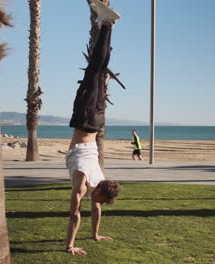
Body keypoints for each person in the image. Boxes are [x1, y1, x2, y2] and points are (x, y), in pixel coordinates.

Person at [64, 0, 121, 256]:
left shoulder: (100, 181)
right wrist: (70, 245)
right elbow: (74, 214)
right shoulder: (84, 182)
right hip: (86, 120)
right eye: (99, 199)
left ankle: (107, 24)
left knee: (97, 72)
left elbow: (95, 208)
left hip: (95, 121)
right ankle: (106, 23)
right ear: (98, 190)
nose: (96, 204)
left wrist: (96, 234)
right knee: (93, 70)